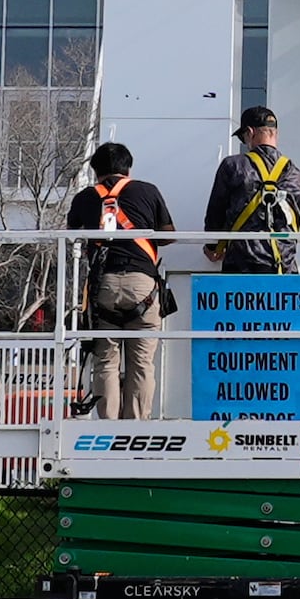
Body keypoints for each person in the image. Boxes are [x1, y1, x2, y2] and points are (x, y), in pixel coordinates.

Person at [64, 141, 175, 417]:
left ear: (96, 171)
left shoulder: (86, 197)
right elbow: (168, 234)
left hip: (105, 286)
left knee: (105, 361)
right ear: (128, 168)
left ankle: (108, 430)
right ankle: (134, 430)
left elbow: (71, 230)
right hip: (143, 286)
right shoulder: (148, 191)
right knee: (142, 364)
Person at [202, 105, 300, 276]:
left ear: (250, 132)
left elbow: (216, 214)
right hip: (283, 266)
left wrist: (213, 247)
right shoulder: (294, 172)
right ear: (275, 134)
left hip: (243, 264)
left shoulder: (233, 166)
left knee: (237, 302)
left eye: (243, 139)